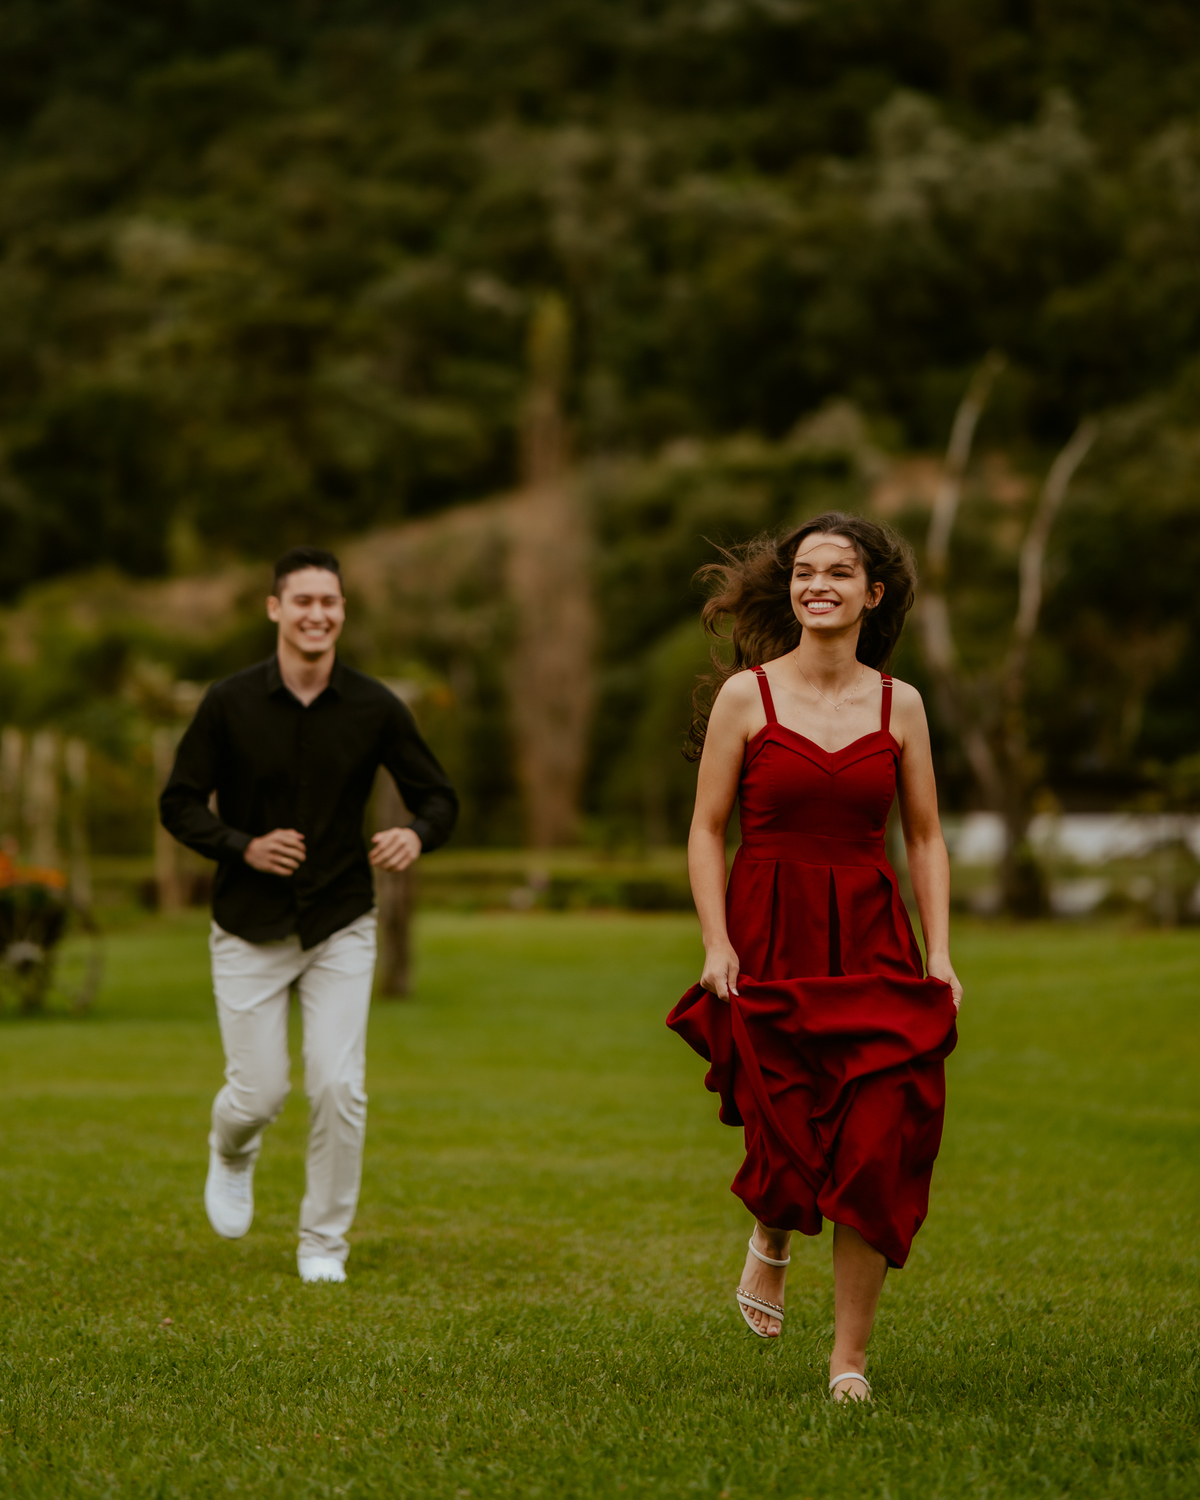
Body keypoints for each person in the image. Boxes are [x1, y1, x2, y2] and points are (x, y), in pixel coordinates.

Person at [667, 512, 962, 1401]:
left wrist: (940, 954)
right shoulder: (746, 698)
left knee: (875, 1137)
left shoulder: (898, 703)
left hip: (870, 938)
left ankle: (848, 1363)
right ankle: (774, 1233)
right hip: (770, 930)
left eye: (839, 572)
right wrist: (717, 943)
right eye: (803, 572)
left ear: (874, 594)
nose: (817, 585)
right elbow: (708, 829)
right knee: (787, 1123)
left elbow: (925, 837)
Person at [160, 547, 458, 1283]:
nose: (317, 614)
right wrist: (242, 846)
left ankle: (323, 1242)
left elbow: (439, 798)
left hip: (340, 922)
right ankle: (232, 1150)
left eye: (330, 602)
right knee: (259, 1093)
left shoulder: (376, 707)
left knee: (338, 1084)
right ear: (276, 609)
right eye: (303, 602)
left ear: (342, 612)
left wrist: (413, 834)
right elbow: (178, 802)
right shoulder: (227, 704)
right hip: (246, 926)